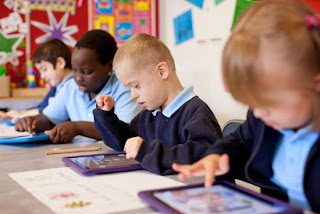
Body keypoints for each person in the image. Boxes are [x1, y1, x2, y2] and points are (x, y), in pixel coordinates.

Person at [172, 0, 320, 212]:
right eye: (252, 103)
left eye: (268, 103)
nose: (258, 112)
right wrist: (216, 156)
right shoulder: (264, 119)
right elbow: (239, 141)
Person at [93, 33, 222, 175]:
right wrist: (106, 115)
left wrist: (148, 152)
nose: (133, 95)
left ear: (162, 72)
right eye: (129, 89)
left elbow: (206, 154)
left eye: (136, 86)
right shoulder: (148, 115)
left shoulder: (196, 111)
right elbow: (126, 143)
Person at [15, 30, 141, 143]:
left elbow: (124, 132)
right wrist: (32, 122)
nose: (78, 78)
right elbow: (49, 119)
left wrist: (78, 127)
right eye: (74, 70)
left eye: (86, 72)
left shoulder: (125, 90)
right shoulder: (70, 87)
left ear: (108, 66)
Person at [0, 39, 73, 120]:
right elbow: (42, 107)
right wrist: (18, 113)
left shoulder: (73, 86)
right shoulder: (57, 86)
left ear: (60, 63)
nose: (42, 76)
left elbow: (51, 112)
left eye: (44, 69)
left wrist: (22, 114)